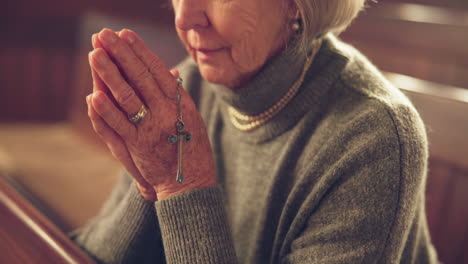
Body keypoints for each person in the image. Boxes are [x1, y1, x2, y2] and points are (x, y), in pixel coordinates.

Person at [72, 0, 439, 263]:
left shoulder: (375, 138)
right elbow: (91, 253)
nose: (185, 18)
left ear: (296, 5)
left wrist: (181, 185)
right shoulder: (193, 85)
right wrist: (149, 187)